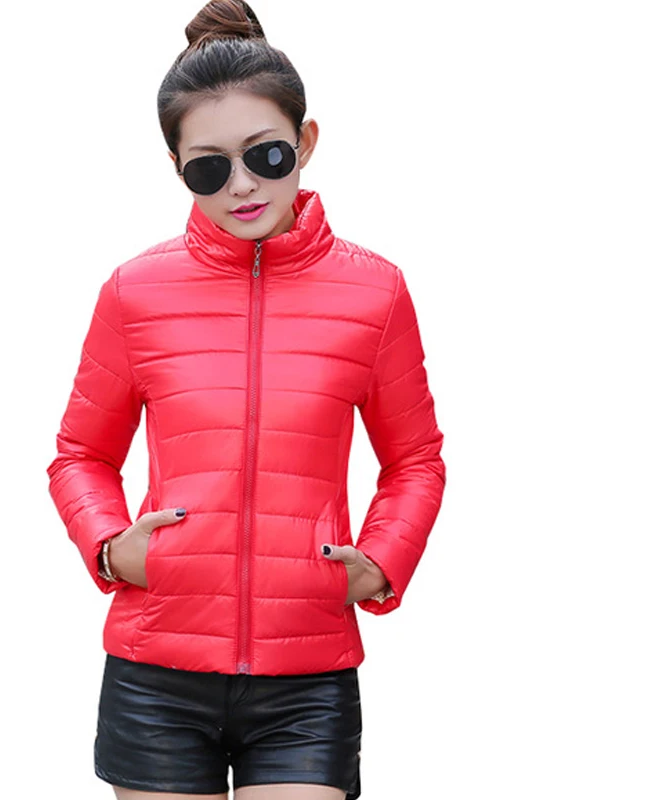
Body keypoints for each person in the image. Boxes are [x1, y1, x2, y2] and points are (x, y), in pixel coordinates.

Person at [46, 2, 446, 798]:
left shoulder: (376, 293)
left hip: (307, 677)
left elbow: (416, 460)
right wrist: (110, 546)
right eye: (209, 167)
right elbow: (80, 454)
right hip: (155, 668)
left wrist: (382, 562)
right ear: (176, 166)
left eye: (266, 154)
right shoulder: (134, 292)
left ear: (306, 141)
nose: (242, 185)